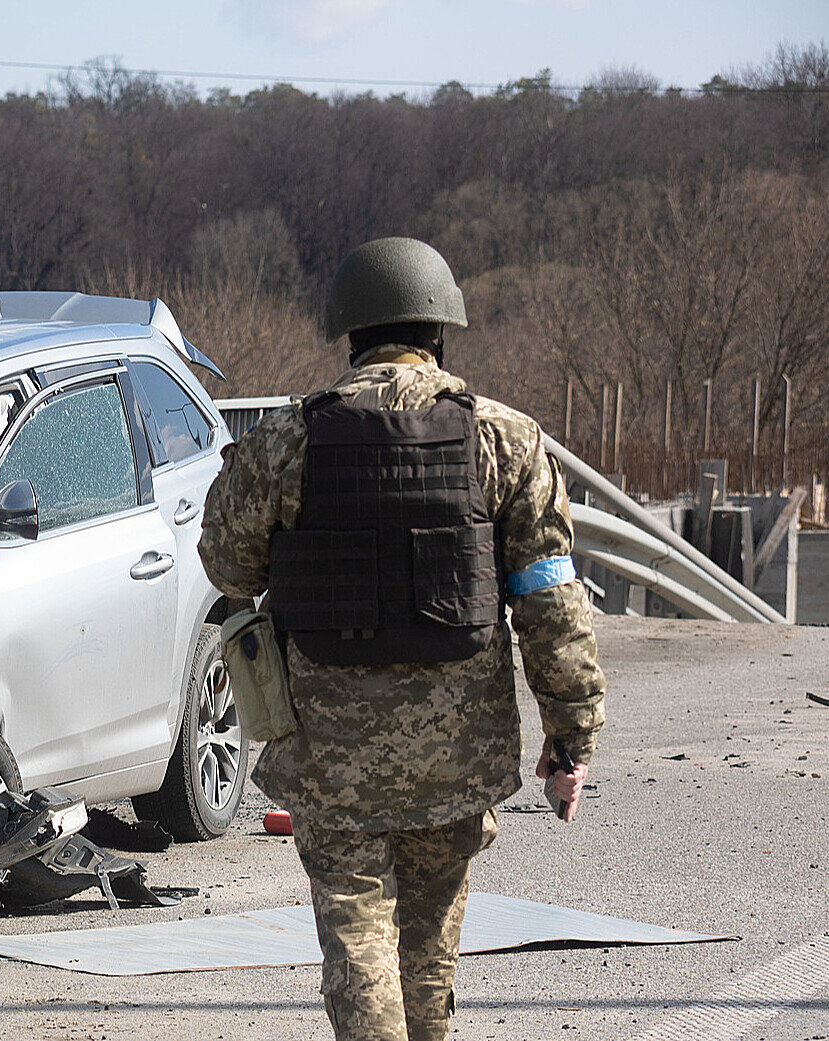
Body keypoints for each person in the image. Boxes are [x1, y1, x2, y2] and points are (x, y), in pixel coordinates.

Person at [198, 237, 606, 1041]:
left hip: (329, 751)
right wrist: (571, 733)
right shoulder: (506, 438)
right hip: (456, 752)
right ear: (439, 330)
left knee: (358, 943)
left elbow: (225, 565)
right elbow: (549, 601)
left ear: (347, 331)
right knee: (426, 949)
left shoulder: (289, 439)